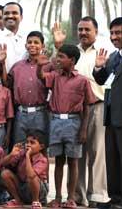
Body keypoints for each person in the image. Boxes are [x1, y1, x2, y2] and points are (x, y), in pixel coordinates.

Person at [53, 17, 112, 207]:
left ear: (96, 31)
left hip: (98, 106)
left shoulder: (104, 52)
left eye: (87, 29)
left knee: (96, 152)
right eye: (80, 30)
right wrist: (58, 45)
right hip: (75, 112)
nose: (83, 33)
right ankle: (77, 197)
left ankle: (96, 196)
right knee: (76, 156)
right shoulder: (72, 52)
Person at [37, 44, 96, 208]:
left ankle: (70, 198)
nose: (58, 59)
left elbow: (87, 107)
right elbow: (41, 77)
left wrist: (84, 129)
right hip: (56, 121)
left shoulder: (83, 80)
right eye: (58, 56)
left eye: (62, 56)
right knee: (58, 160)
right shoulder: (55, 76)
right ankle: (57, 197)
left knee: (73, 162)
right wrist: (41, 65)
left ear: (72, 60)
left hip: (74, 123)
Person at [93, 17, 122, 209]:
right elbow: (103, 80)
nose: (114, 37)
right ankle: (116, 199)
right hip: (111, 117)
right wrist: (98, 67)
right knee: (113, 161)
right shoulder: (112, 57)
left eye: (118, 32)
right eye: (112, 33)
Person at [8, 31, 49, 143]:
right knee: (19, 146)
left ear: (42, 46)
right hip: (21, 113)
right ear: (25, 45)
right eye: (29, 42)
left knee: (40, 147)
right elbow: (8, 86)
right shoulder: (17, 67)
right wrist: (2, 63)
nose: (32, 45)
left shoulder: (48, 66)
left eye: (36, 42)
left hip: (40, 113)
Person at [1, 129, 49, 209]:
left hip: (39, 192)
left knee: (33, 177)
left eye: (32, 143)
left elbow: (31, 175)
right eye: (27, 142)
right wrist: (11, 155)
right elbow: (2, 164)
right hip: (23, 187)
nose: (28, 145)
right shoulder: (22, 153)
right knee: (5, 173)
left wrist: (27, 156)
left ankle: (36, 201)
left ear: (41, 147)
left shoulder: (42, 159)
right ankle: (18, 200)